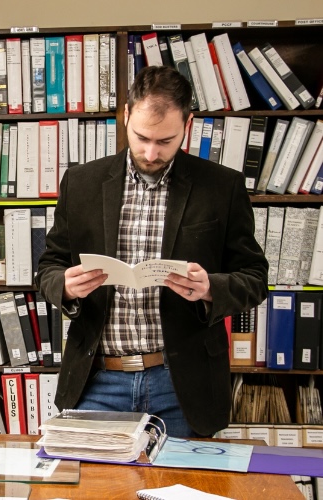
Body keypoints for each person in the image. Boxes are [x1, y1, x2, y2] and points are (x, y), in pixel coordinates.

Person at [35, 65, 268, 438]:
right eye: (141, 137)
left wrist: (210, 288)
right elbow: (49, 266)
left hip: (181, 385)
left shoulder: (222, 187)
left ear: (187, 125)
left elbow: (255, 278)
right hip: (98, 382)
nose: (150, 151)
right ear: (126, 115)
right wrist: (64, 286)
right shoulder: (81, 183)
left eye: (165, 141)